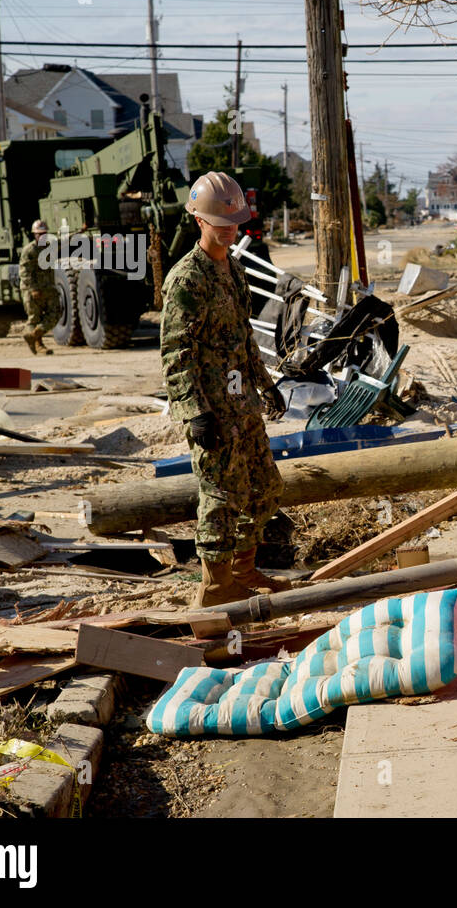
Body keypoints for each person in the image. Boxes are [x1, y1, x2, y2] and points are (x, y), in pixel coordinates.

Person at [161, 171, 289, 607]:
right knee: (220, 496)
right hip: (213, 410)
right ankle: (214, 588)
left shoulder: (233, 269)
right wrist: (193, 412)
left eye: (235, 223)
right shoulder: (186, 280)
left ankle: (244, 571)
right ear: (199, 220)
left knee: (264, 487)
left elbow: (243, 335)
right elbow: (175, 353)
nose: (231, 231)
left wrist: (265, 385)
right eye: (222, 223)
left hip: (242, 403)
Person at [19, 219, 60, 355]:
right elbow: (24, 272)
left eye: (44, 233)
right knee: (34, 318)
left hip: (47, 287)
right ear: (34, 235)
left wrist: (81, 232)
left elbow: (63, 241)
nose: (41, 236)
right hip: (32, 289)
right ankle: (39, 345)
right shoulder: (29, 250)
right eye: (39, 234)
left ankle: (34, 335)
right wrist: (33, 289)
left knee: (56, 313)